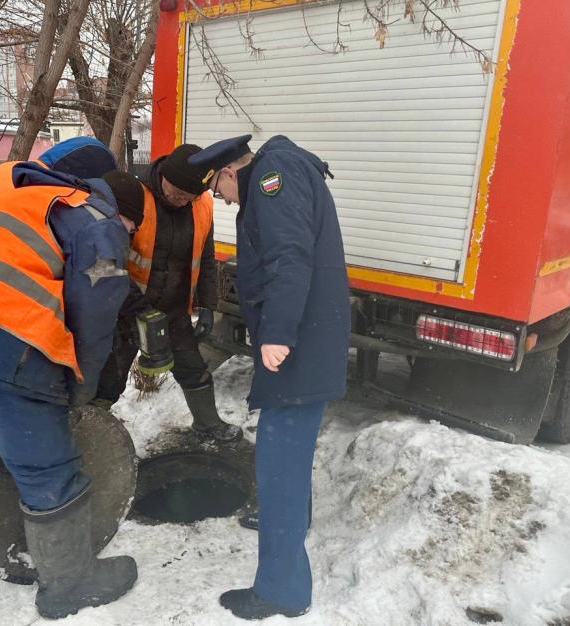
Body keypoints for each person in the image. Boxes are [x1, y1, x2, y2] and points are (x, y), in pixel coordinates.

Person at [0, 137, 144, 620]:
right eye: (133, 226)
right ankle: (69, 585)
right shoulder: (97, 222)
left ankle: (0, 543)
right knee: (50, 469)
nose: (131, 236)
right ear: (115, 204)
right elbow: (94, 318)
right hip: (3, 348)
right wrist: (82, 385)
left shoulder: (15, 198)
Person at [189, 135, 350, 619]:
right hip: (310, 340)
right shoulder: (281, 172)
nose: (222, 199)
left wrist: (277, 332)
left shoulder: (273, 178)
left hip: (298, 345)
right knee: (290, 455)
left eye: (219, 190)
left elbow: (289, 255)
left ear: (231, 171)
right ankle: (291, 530)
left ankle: (282, 592)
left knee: (278, 463)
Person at [96, 144, 241, 442]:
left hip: (173, 309)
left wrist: (208, 306)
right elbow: (106, 263)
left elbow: (207, 257)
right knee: (108, 378)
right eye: (176, 191)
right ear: (163, 176)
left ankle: (207, 424)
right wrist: (135, 308)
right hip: (127, 309)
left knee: (193, 369)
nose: (180, 199)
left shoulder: (202, 205)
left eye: (188, 195)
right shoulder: (135, 198)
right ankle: (94, 433)